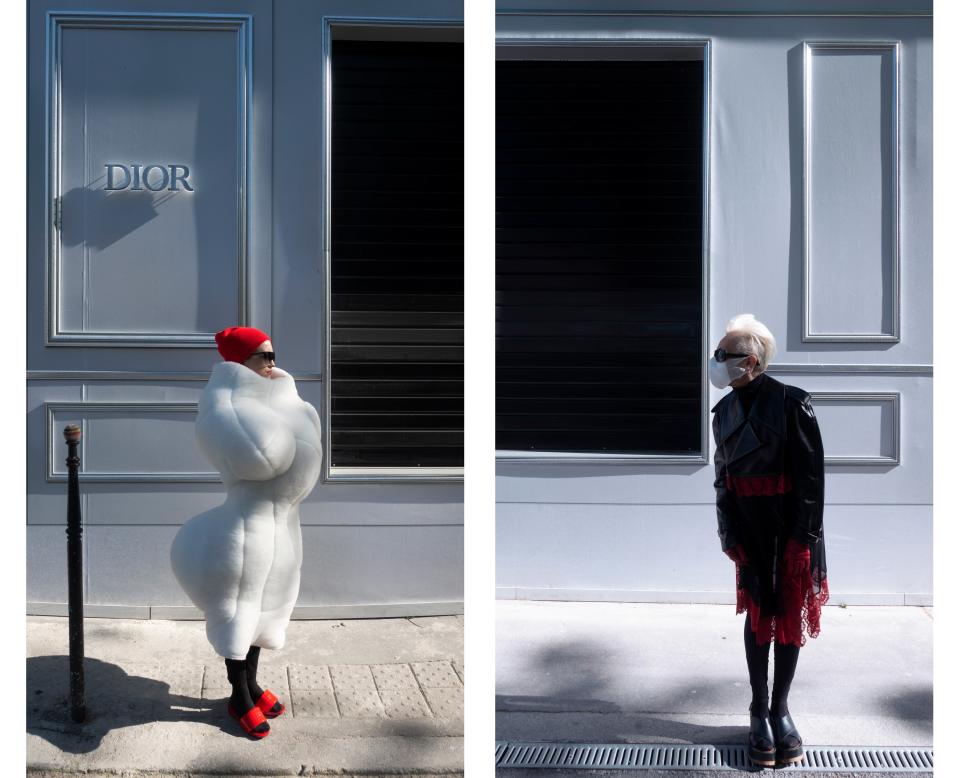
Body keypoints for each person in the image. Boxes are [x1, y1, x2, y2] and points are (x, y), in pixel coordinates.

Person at [170, 326, 322, 739]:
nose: (272, 362)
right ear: (239, 362)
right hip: (243, 535)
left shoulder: (280, 397)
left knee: (266, 612)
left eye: (273, 353)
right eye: (262, 356)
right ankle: (238, 696)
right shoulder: (225, 406)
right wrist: (271, 410)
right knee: (239, 613)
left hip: (283, 528)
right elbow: (261, 456)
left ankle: (252, 685)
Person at [709, 313, 828, 767]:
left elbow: (812, 480)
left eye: (726, 355)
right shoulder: (723, 413)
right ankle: (759, 708)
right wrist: (728, 534)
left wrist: (804, 538)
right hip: (750, 529)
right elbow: (722, 481)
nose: (717, 362)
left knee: (788, 616)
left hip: (791, 528)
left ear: (752, 361)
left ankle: (781, 709)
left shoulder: (792, 403)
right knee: (759, 611)